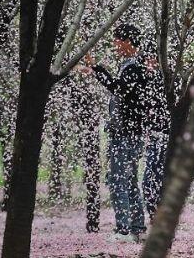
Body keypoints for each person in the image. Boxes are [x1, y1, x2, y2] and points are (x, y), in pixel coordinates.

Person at [79, 23, 147, 243]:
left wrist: (97, 69)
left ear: (127, 41)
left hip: (126, 134)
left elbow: (119, 89)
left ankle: (124, 230)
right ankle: (136, 227)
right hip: (130, 133)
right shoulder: (132, 65)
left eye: (117, 40)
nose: (115, 45)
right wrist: (96, 69)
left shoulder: (134, 67)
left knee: (119, 179)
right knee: (128, 180)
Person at [141, 49, 170, 221]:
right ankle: (154, 213)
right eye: (146, 61)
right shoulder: (146, 81)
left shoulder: (163, 82)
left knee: (156, 177)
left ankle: (158, 214)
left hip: (163, 137)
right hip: (153, 137)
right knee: (149, 179)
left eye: (152, 61)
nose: (148, 64)